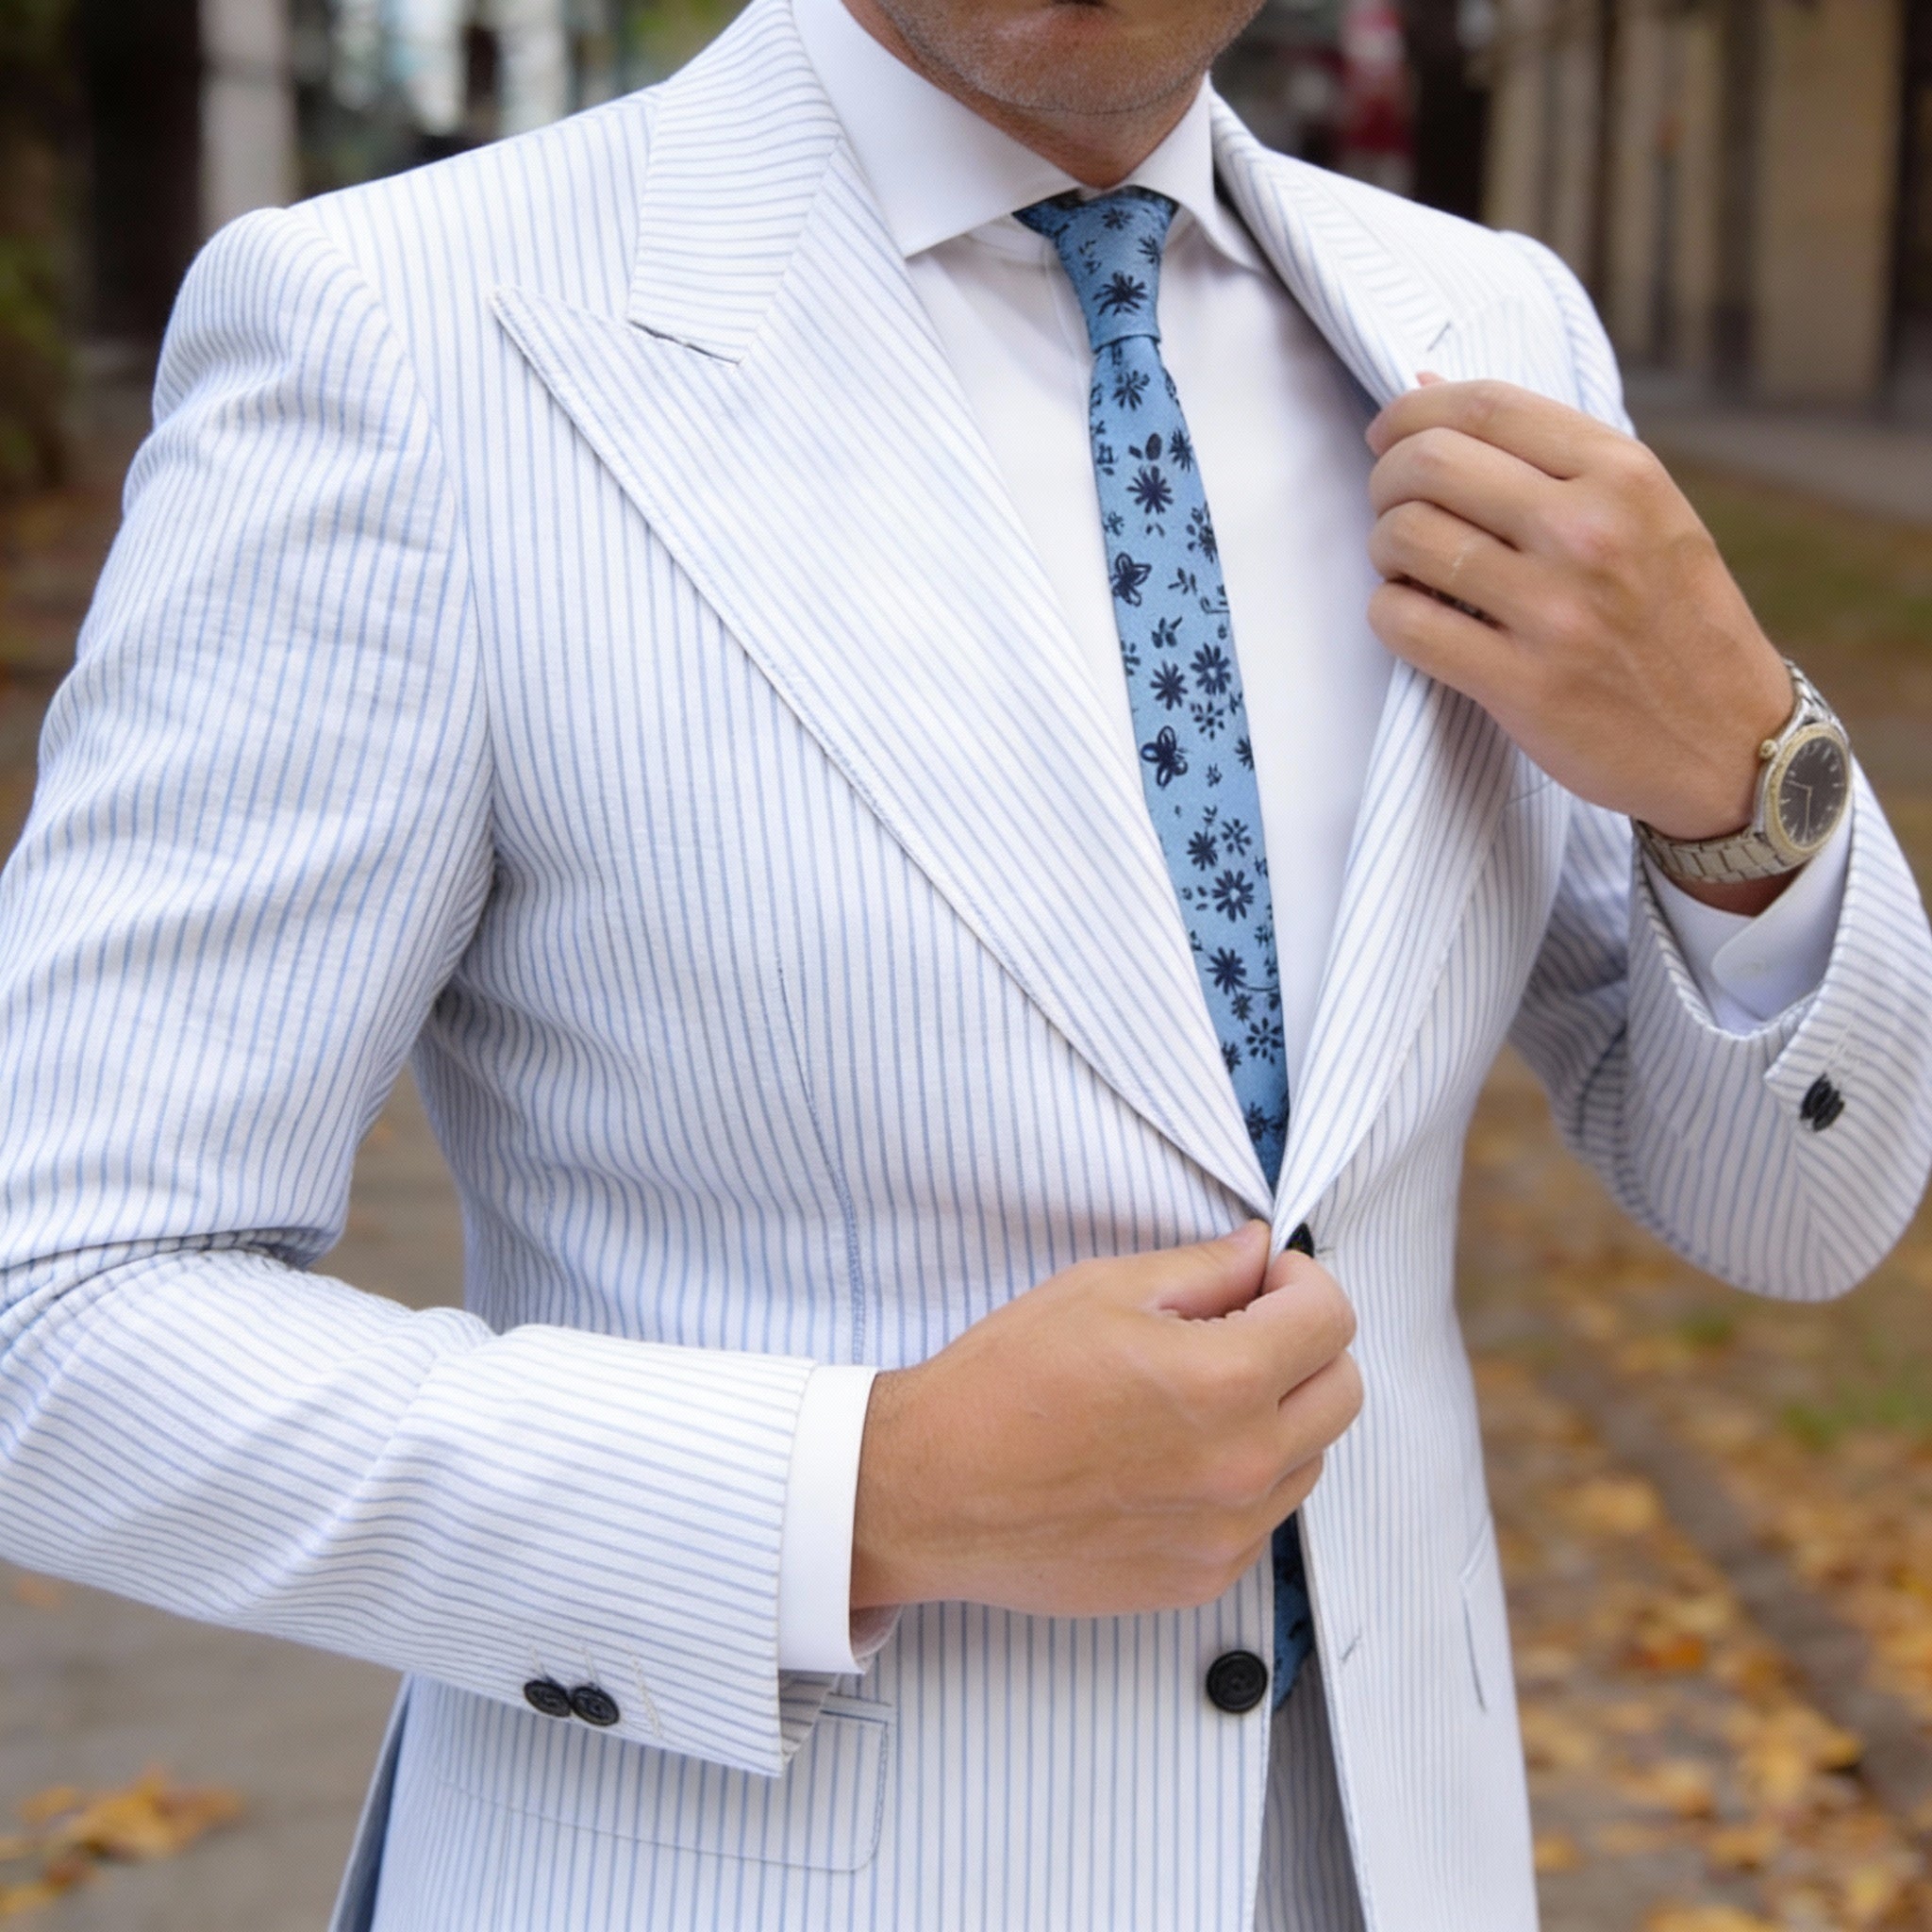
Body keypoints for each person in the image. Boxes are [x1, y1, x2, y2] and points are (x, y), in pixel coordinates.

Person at [1, 0, 1927, 1924]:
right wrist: (863, 1491)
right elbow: (59, 1311)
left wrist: (1738, 765)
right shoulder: (407, 333)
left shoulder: (1487, 326)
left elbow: (1800, 1209)